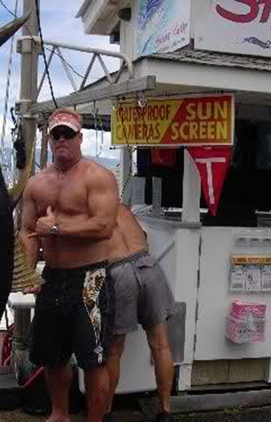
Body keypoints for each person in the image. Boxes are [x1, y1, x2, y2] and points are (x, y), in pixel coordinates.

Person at [21, 108, 120, 422]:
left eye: (68, 134)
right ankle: (59, 414)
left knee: (94, 360)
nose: (61, 139)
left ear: (80, 137)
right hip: (52, 278)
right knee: (52, 356)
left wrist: (57, 229)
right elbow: (27, 230)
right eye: (56, 134)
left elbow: (104, 226)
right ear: (49, 139)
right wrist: (29, 271)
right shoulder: (37, 183)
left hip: (91, 278)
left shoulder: (98, 176)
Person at [104, 204, 175, 422]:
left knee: (114, 350)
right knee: (161, 345)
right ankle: (164, 411)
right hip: (149, 265)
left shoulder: (91, 212)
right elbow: (144, 236)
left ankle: (105, 411)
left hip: (119, 271)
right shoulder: (124, 208)